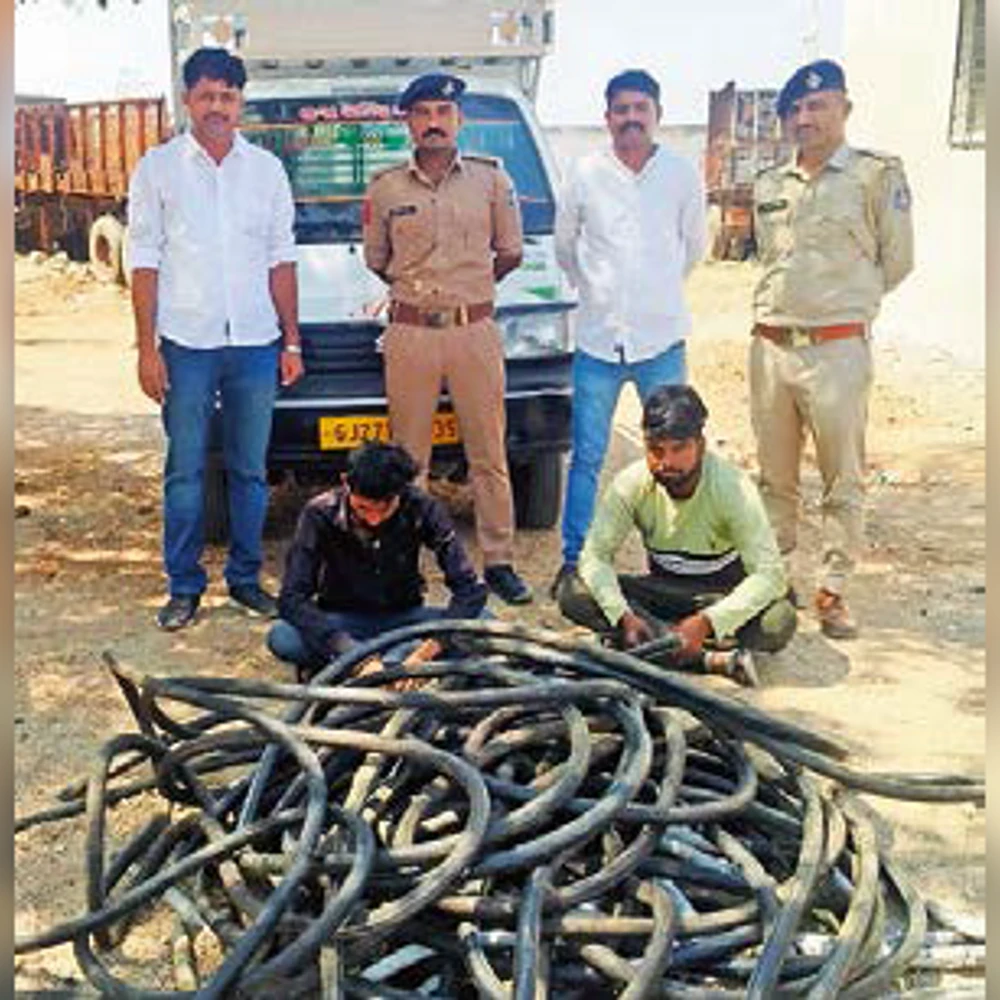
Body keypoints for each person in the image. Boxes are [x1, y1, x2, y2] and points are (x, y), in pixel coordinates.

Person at [127, 47, 303, 631]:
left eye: (228, 96)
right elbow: (144, 259)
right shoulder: (157, 169)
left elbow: (281, 259)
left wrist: (292, 340)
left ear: (240, 103)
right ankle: (183, 586)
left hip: (255, 342)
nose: (217, 107)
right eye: (206, 95)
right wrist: (147, 348)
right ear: (188, 100)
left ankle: (247, 580)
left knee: (251, 470)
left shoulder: (267, 172)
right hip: (186, 342)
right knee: (185, 469)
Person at [749, 59, 913, 640]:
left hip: (837, 352)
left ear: (844, 107)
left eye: (817, 105)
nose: (804, 117)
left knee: (842, 478)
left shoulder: (874, 176)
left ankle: (833, 590)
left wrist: (844, 306)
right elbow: (769, 259)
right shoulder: (770, 184)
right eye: (794, 109)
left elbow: (897, 260)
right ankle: (775, 578)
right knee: (775, 479)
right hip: (770, 346)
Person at [362, 72, 532, 606]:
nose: (434, 123)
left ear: (459, 120)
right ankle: (404, 561)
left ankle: (498, 560)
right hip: (411, 333)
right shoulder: (386, 188)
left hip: (473, 333)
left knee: (488, 451)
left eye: (443, 113)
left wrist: (468, 296)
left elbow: (509, 252)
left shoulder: (491, 181)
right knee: (409, 457)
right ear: (408, 122)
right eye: (423, 113)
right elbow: (377, 260)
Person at [551, 69, 706, 599]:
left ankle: (677, 564)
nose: (631, 119)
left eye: (641, 108)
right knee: (588, 456)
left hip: (660, 342)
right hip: (596, 342)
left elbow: (694, 248)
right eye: (622, 109)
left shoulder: (682, 175)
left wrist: (652, 294)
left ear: (657, 114)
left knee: (672, 453)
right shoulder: (585, 173)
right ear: (608, 117)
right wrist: (597, 292)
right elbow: (565, 246)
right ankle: (574, 560)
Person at [558, 384, 797, 681]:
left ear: (701, 444)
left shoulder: (733, 488)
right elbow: (595, 556)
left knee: (778, 620)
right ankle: (707, 659)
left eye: (679, 449)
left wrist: (708, 621)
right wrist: (623, 615)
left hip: (719, 596)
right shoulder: (631, 484)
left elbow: (770, 574)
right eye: (656, 450)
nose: (666, 463)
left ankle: (652, 645)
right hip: (662, 592)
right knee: (573, 589)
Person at [268, 441, 488, 679]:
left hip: (405, 619)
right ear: (346, 483)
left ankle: (390, 662)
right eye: (363, 508)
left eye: (385, 509)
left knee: (486, 624)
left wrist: (427, 652)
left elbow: (470, 590)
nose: (374, 520)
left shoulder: (423, 508)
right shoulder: (319, 513)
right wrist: (352, 653)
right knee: (283, 637)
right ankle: (388, 664)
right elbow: (292, 599)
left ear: (401, 492)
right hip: (344, 623)